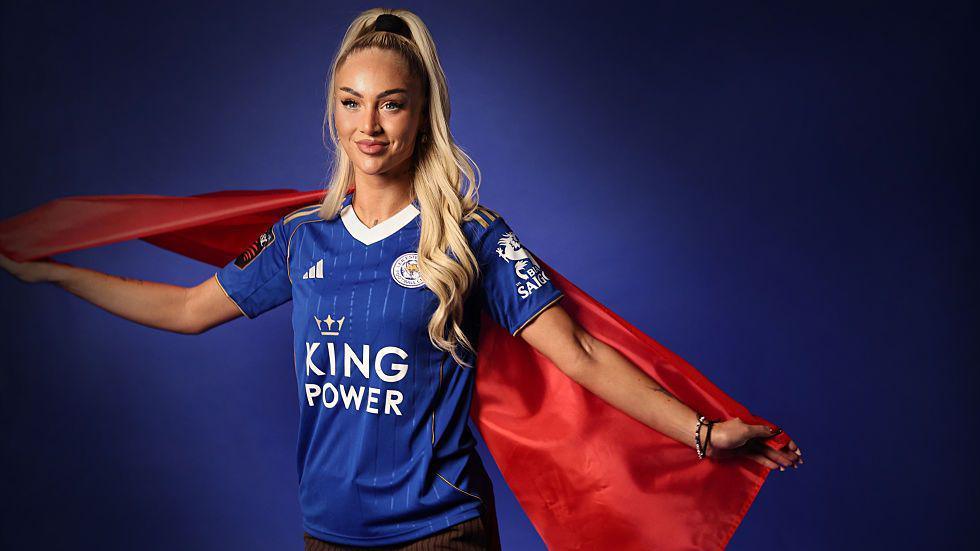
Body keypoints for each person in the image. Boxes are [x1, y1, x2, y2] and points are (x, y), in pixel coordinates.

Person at [0, 8, 803, 550]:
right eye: (352, 104)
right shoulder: (299, 240)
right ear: (334, 112)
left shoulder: (472, 237)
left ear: (422, 114)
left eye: (391, 104)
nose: (370, 125)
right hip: (328, 532)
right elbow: (182, 309)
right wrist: (55, 273)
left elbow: (582, 356)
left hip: (439, 534)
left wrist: (703, 432)